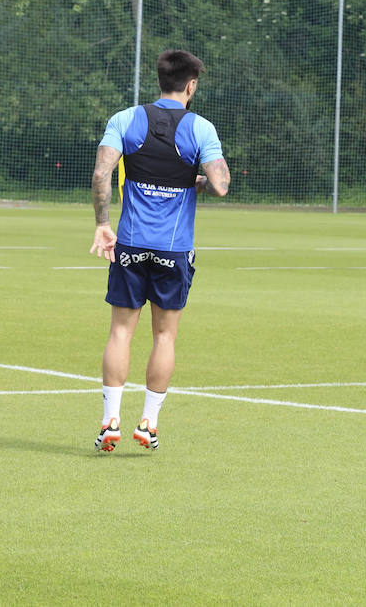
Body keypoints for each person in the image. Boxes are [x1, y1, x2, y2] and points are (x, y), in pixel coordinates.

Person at [89, 49, 230, 452]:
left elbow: (102, 172)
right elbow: (220, 185)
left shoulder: (126, 119)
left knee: (120, 331)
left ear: (159, 81)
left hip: (129, 245)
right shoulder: (201, 127)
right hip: (174, 252)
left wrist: (102, 224)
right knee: (164, 336)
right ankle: (148, 424)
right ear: (191, 85)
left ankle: (109, 421)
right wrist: (197, 178)